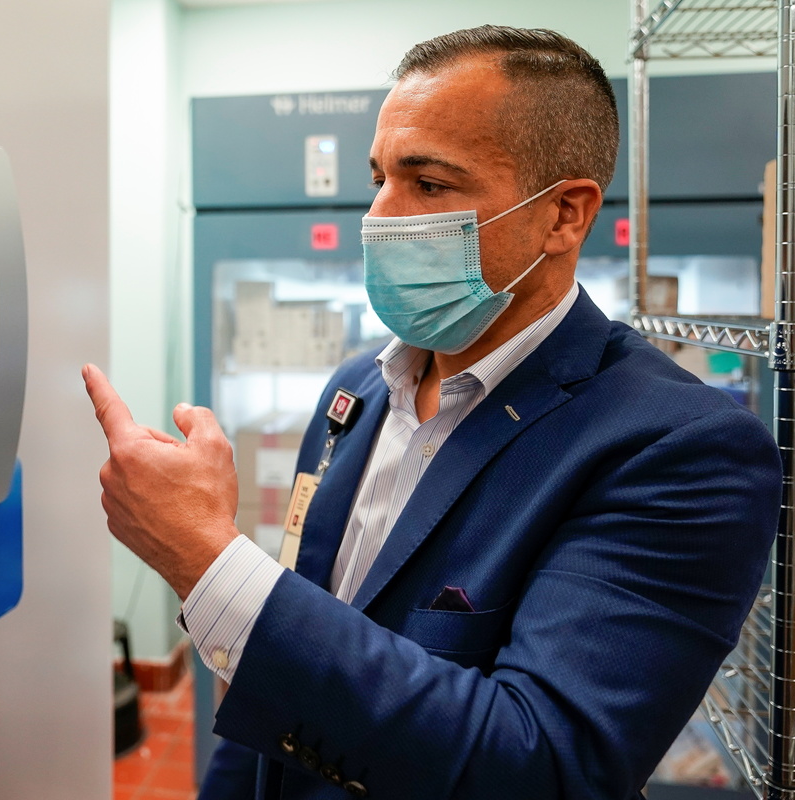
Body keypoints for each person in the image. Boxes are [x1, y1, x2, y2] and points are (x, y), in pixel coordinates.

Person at [84, 25, 781, 800]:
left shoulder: (681, 449)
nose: (381, 217)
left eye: (429, 184)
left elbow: (544, 768)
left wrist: (207, 559)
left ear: (564, 215)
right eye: (379, 177)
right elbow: (279, 671)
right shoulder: (358, 389)